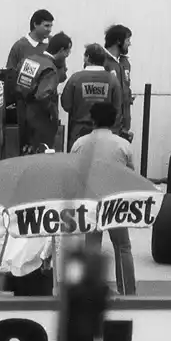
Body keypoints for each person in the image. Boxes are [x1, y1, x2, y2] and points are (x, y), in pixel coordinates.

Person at [70, 102, 136, 295]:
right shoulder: (124, 146)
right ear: (114, 120)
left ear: (92, 119)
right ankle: (128, 292)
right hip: (116, 201)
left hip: (90, 202)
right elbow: (130, 174)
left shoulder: (80, 144)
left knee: (91, 248)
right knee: (123, 246)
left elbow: (74, 173)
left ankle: (90, 291)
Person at [5, 9, 54, 151]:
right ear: (35, 24)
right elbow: (11, 74)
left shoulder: (48, 47)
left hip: (45, 107)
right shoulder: (20, 47)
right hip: (25, 106)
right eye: (46, 26)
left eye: (51, 26)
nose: (49, 30)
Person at [15, 31, 72, 152]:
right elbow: (43, 96)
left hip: (22, 115)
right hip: (41, 121)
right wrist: (52, 115)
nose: (68, 54)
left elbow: (16, 82)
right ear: (61, 50)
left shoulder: (29, 60)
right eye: (68, 51)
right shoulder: (50, 69)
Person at [61, 43, 123, 149]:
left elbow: (66, 105)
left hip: (79, 132)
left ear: (87, 58)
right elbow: (117, 107)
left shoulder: (75, 78)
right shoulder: (113, 80)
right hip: (105, 134)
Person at [103, 24, 134, 141]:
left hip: (123, 129)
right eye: (127, 40)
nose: (129, 43)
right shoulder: (102, 61)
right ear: (118, 41)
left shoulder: (125, 63)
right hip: (107, 129)